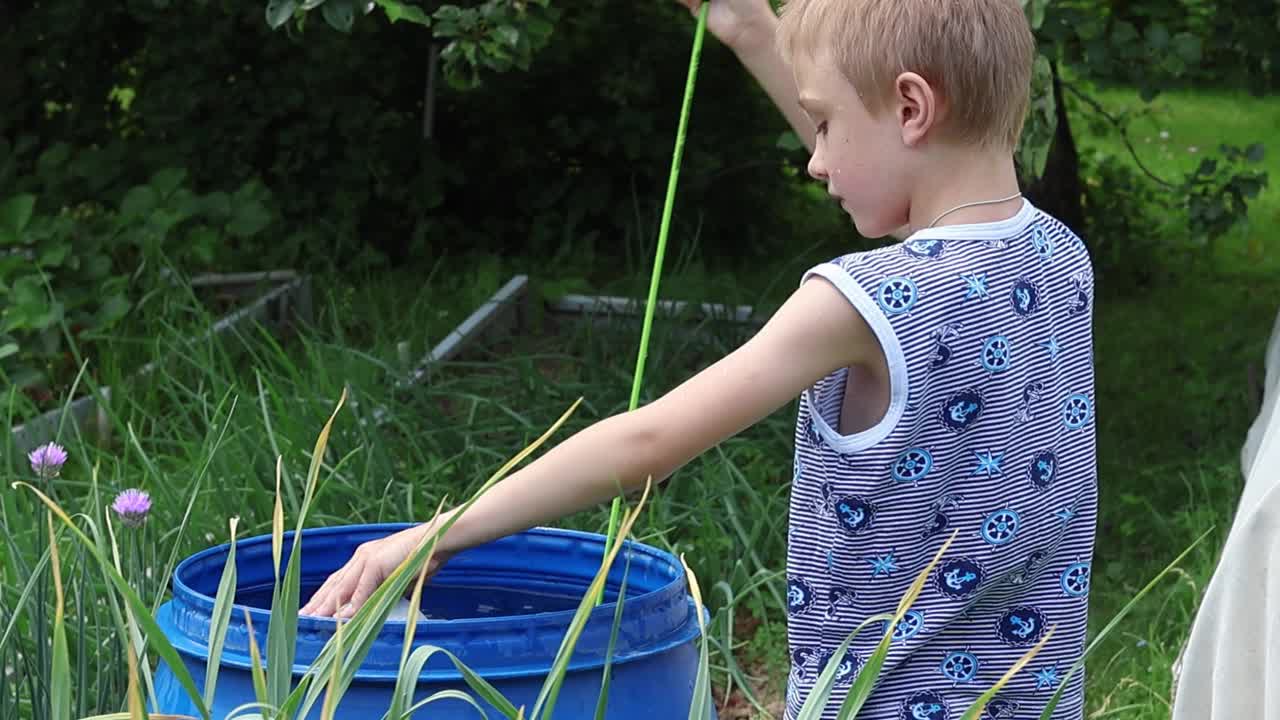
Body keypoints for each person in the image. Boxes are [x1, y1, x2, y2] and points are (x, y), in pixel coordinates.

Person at [302, 0, 1099, 717]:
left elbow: (644, 445)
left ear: (913, 106)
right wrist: (749, 28)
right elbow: (905, 185)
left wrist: (436, 535)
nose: (815, 161)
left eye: (822, 124)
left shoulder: (860, 300)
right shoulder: (1058, 258)